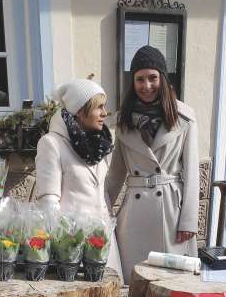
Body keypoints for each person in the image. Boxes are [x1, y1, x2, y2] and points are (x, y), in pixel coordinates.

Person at [106, 45, 199, 283]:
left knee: (171, 282)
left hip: (170, 210)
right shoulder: (124, 121)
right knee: (136, 281)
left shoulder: (185, 118)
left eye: (152, 78)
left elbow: (192, 173)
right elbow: (116, 176)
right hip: (134, 214)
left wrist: (189, 220)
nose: (146, 86)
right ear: (132, 82)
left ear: (163, 79)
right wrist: (101, 212)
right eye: (139, 79)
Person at [35, 78, 122, 278]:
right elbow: (48, 204)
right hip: (73, 251)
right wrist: (65, 248)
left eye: (104, 107)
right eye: (98, 107)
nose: (104, 113)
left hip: (103, 244)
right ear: (81, 112)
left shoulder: (98, 145)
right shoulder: (51, 144)